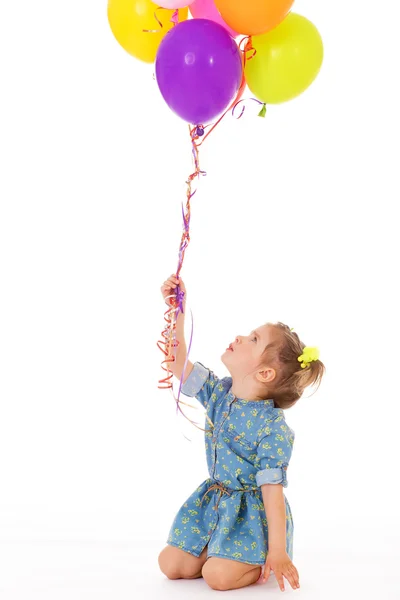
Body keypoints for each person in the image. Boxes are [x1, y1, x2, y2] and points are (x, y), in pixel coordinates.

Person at [158, 273, 326, 592]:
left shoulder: (272, 429)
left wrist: (278, 551)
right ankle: (218, 548)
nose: (240, 337)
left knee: (217, 578)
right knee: (170, 564)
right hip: (214, 502)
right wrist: (177, 307)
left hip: (250, 516)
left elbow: (273, 495)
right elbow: (176, 362)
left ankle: (254, 557)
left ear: (264, 373)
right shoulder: (218, 393)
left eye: (253, 340)